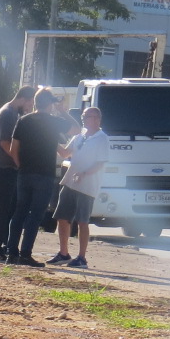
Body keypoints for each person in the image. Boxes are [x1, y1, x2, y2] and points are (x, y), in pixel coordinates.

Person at [4, 89, 75, 267]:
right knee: (35, 216)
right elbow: (77, 129)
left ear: (35, 102)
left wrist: (21, 166)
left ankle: (11, 253)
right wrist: (64, 111)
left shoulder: (23, 120)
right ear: (50, 104)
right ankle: (26, 254)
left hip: (25, 173)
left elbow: (13, 149)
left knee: (19, 213)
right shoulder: (54, 121)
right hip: (44, 175)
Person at [50, 106, 107, 269]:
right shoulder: (79, 136)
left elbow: (100, 163)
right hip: (70, 182)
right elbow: (65, 153)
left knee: (83, 221)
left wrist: (84, 173)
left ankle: (82, 257)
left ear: (97, 119)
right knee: (62, 217)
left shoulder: (102, 138)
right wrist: (51, 138)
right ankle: (63, 253)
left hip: (88, 186)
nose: (84, 119)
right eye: (83, 116)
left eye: (87, 116)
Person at [0, 85, 36, 261]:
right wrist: (18, 162)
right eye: (30, 103)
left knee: (11, 209)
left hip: (8, 168)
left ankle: (5, 246)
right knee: (2, 210)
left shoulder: (14, 113)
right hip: (0, 167)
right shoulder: (8, 113)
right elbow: (5, 143)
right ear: (25, 99)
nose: (30, 108)